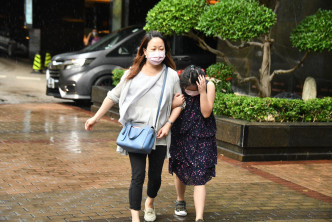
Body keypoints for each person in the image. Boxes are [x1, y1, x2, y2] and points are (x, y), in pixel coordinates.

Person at [85, 31, 183, 222]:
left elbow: (180, 103)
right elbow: (113, 96)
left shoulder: (170, 75)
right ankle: (135, 218)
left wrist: (169, 124)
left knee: (155, 178)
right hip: (135, 133)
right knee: (137, 176)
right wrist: (95, 118)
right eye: (153, 49)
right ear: (145, 51)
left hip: (160, 134)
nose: (157, 52)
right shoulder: (132, 73)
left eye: (161, 49)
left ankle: (150, 203)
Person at [169, 65, 217, 222]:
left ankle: (199, 217)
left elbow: (206, 112)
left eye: (193, 90)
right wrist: (174, 103)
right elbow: (166, 108)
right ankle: (180, 200)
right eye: (188, 90)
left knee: (200, 174)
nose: (190, 92)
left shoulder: (209, 85)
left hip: (203, 135)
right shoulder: (178, 84)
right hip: (181, 132)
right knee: (180, 168)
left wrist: (202, 92)